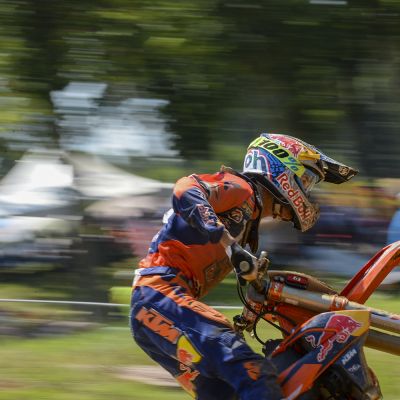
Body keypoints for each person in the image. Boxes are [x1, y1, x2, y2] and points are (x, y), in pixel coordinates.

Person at [129, 133, 357, 399]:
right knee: (253, 373)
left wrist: (250, 309)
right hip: (158, 294)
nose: (307, 192)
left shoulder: (248, 223)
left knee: (227, 393)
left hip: (156, 307)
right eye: (306, 180)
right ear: (280, 168)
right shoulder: (242, 190)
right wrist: (227, 242)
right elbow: (185, 188)